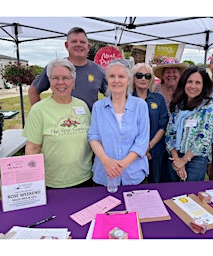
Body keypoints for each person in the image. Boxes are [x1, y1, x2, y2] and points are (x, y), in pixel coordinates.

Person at [23, 58, 93, 188]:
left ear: (73, 81)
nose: (60, 82)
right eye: (55, 78)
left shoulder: (82, 106)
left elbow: (91, 139)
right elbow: (32, 148)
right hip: (52, 183)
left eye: (66, 78)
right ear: (49, 81)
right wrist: (30, 180)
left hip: (84, 179)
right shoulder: (38, 110)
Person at [88, 59, 150, 187]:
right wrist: (107, 162)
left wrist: (122, 165)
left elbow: (142, 140)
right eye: (112, 76)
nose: (116, 80)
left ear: (128, 80)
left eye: (121, 76)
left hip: (134, 174)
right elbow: (93, 137)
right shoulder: (98, 107)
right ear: (107, 80)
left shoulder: (140, 106)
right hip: (104, 174)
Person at [29, 27, 107, 111]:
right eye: (74, 41)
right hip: (59, 122)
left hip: (89, 122)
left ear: (88, 47)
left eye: (82, 42)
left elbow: (115, 95)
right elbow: (33, 91)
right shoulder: (55, 67)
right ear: (66, 45)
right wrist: (41, 115)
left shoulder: (99, 71)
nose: (78, 44)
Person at [165, 66, 213, 182]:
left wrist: (183, 161)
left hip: (196, 160)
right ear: (184, 83)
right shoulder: (178, 105)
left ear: (204, 86)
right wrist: (176, 158)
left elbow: (204, 139)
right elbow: (169, 133)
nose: (193, 86)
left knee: (191, 196)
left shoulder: (208, 107)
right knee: (173, 195)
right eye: (190, 82)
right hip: (174, 157)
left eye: (198, 82)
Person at [131, 63, 169, 183]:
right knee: (135, 185)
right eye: (139, 75)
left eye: (147, 76)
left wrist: (148, 146)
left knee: (155, 183)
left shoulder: (158, 99)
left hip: (156, 149)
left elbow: (163, 126)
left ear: (151, 79)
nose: (143, 78)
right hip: (132, 151)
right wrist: (141, 149)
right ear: (133, 78)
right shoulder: (127, 99)